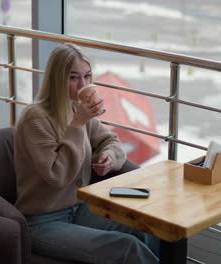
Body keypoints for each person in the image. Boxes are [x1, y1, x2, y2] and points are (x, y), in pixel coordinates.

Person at [14, 43, 159, 263]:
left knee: (146, 224)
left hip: (80, 209)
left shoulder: (75, 108)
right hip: (42, 222)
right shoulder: (35, 118)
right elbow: (57, 175)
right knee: (126, 246)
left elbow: (110, 140)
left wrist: (109, 157)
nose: (83, 84)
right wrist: (78, 124)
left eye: (87, 76)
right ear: (56, 79)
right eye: (73, 78)